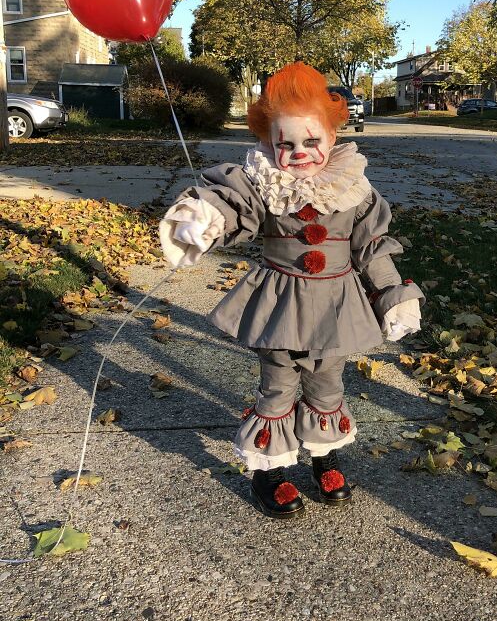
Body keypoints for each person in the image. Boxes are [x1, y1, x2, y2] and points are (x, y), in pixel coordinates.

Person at [159, 62, 423, 520]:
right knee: (278, 387)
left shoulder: (354, 189)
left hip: (337, 307)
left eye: (310, 141)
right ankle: (270, 471)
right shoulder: (265, 184)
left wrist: (392, 295)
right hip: (280, 305)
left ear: (331, 136)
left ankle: (325, 456)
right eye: (286, 144)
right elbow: (233, 203)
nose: (298, 152)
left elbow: (372, 247)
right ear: (270, 143)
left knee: (327, 384)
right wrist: (206, 217)